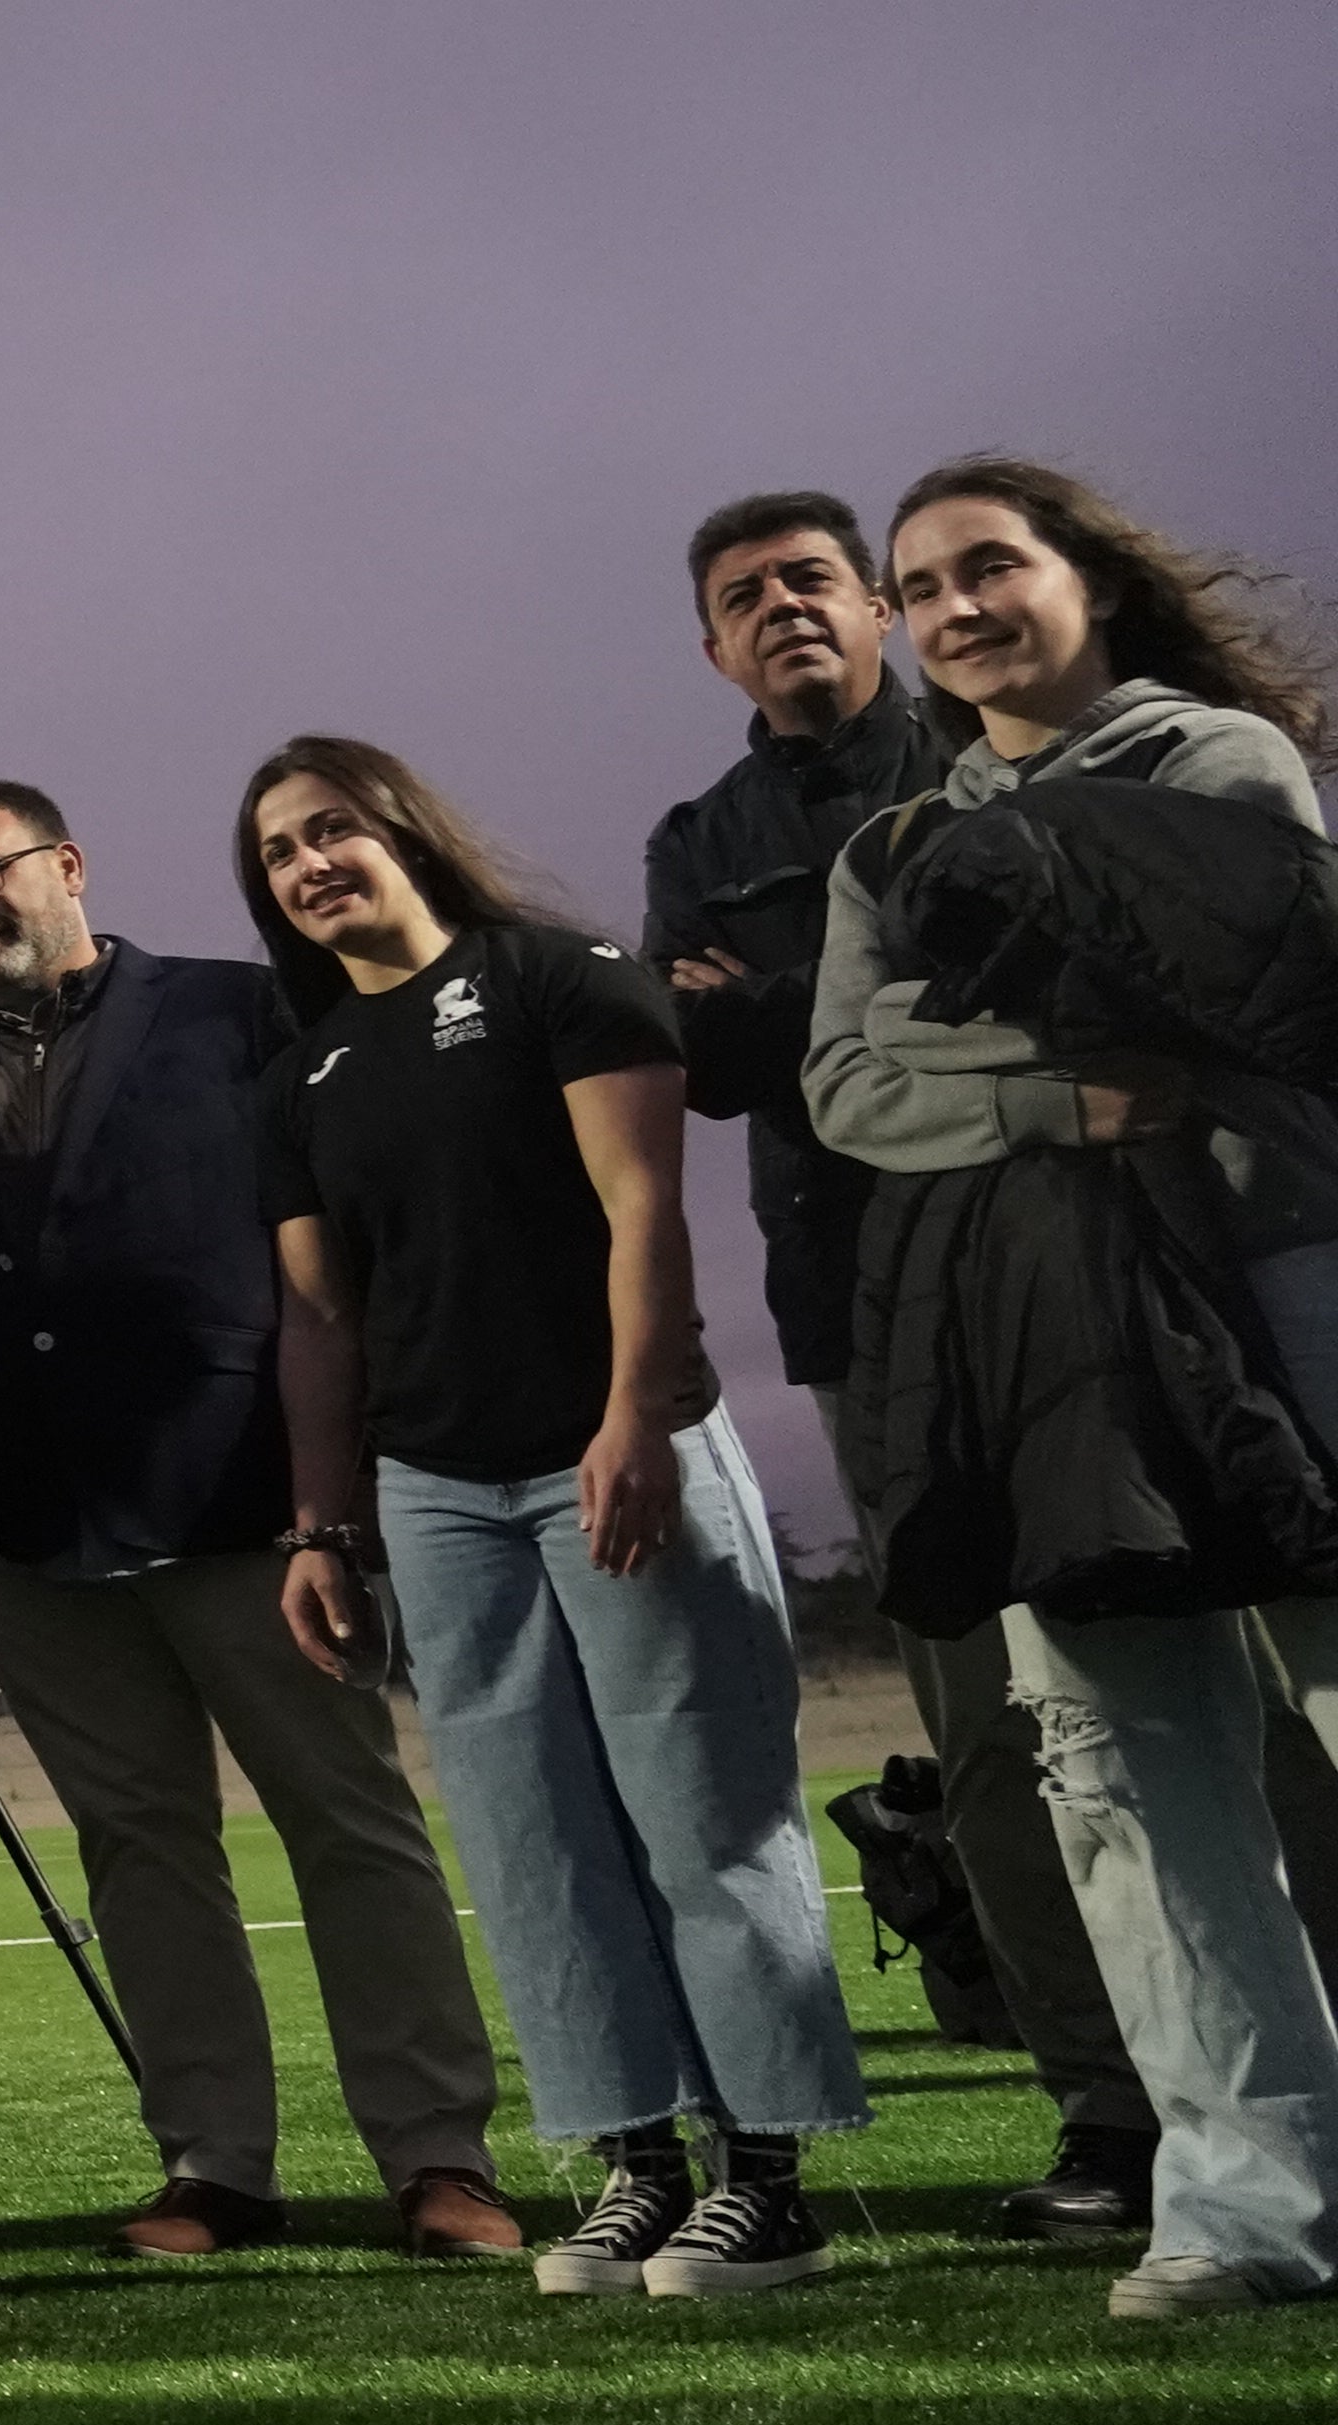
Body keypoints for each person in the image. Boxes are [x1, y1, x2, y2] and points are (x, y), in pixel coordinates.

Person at [0, 781, 516, 2262]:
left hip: (250, 1511)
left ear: (67, 865)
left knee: (350, 1829)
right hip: (31, 1542)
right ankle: (215, 2166)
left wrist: (334, 1496)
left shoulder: (239, 1015)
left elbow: (336, 1251)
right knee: (140, 1852)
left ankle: (437, 2155)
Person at [806, 457, 1338, 2317]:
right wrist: (1052, 1097)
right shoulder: (888, 847)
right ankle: (1252, 2208)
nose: (955, 609)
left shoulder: (1217, 764)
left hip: (1277, 1276)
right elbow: (847, 1090)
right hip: (1044, 1330)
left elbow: (1208, 989)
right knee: (1124, 1768)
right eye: (921, 587)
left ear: (1084, 581)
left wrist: (967, 1038)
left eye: (991, 567)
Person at [245, 737, 869, 2292]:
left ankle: (766, 2172)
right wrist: (323, 1527)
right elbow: (319, 1319)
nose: (310, 866)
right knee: (531, 1842)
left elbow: (643, 1207)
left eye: (333, 829)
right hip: (439, 1493)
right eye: (277, 854)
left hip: (613, 1447)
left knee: (700, 1810)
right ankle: (637, 2162)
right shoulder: (302, 1072)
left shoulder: (561, 977)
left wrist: (635, 1418)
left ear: (407, 830)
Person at [646, 491, 1179, 2251]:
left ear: (876, 606)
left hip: (1098, 1264)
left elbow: (1036, 982)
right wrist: (855, 1001)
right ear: (712, 644)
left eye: (809, 579)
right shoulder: (696, 832)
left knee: (1198, 1671)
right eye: (742, 598)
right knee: (992, 1734)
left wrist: (798, 994)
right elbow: (712, 1064)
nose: (781, 610)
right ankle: (1109, 2113)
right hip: (868, 1320)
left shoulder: (994, 755)